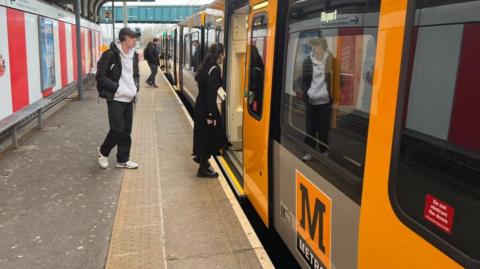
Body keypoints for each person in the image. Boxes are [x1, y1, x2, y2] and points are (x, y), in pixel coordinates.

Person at [96, 27, 140, 169]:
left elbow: (136, 74)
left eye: (135, 38)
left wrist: (135, 87)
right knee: (117, 130)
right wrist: (118, 88)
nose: (135, 40)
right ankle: (103, 152)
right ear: (124, 38)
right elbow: (100, 77)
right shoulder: (110, 55)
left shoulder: (134, 55)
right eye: (132, 37)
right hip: (116, 98)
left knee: (126, 131)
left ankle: (123, 160)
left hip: (129, 98)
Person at [192, 44, 227, 178]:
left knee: (203, 134)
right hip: (207, 107)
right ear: (220, 54)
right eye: (223, 53)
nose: (224, 56)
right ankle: (203, 168)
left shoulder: (205, 66)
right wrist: (211, 115)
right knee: (211, 135)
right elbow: (211, 95)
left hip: (200, 104)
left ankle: (201, 157)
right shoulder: (215, 70)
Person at [302, 37, 334, 161]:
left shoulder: (331, 60)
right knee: (310, 128)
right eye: (313, 46)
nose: (314, 48)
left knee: (323, 129)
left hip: (325, 102)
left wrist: (332, 94)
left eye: (317, 46)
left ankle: (324, 151)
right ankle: (310, 152)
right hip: (311, 101)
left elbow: (337, 78)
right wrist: (308, 92)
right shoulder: (307, 61)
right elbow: (304, 80)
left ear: (323, 47)